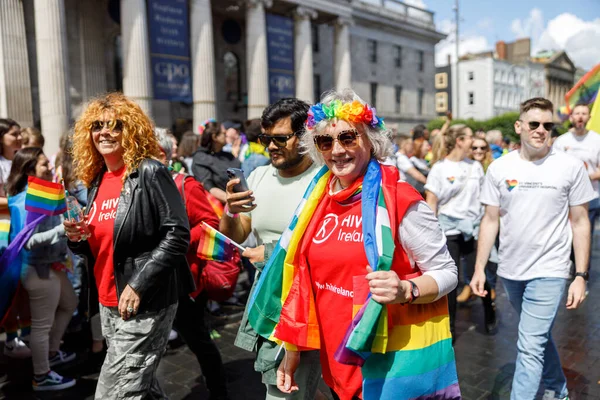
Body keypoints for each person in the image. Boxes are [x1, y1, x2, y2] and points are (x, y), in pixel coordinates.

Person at [246, 90, 459, 400]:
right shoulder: (316, 199)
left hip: (387, 362)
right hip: (336, 358)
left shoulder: (400, 200)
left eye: (348, 138)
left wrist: (405, 289)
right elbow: (302, 278)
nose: (337, 150)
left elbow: (447, 271)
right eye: (325, 141)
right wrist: (292, 347)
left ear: (370, 141)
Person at [64, 92, 192, 400]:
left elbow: (177, 234)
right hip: (108, 301)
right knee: (140, 387)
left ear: (131, 130)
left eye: (115, 125)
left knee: (113, 394)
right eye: (97, 125)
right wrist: (77, 238)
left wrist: (138, 285)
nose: (104, 132)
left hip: (143, 301)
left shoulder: (149, 172)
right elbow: (100, 245)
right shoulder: (96, 180)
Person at [471, 97, 595, 400]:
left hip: (550, 270)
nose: (541, 130)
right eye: (534, 124)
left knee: (528, 345)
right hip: (512, 271)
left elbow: (580, 222)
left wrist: (580, 275)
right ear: (519, 126)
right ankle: (558, 388)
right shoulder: (499, 168)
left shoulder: (569, 167)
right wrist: (479, 269)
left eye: (548, 125)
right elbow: (489, 220)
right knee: (535, 337)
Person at [220, 98, 323, 400]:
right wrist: (230, 212)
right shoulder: (260, 176)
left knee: (284, 390)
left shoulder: (324, 179)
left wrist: (272, 254)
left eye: (280, 138)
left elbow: (328, 245)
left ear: (306, 136)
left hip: (306, 304)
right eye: (266, 139)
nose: (271, 146)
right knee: (293, 388)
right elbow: (240, 234)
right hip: (267, 298)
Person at [155, 128, 229, 400]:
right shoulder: (133, 186)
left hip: (183, 282)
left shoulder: (186, 185)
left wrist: (176, 243)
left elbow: (210, 224)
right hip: (149, 282)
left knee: (198, 341)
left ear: (159, 154)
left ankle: (219, 391)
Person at [7, 147, 78, 391]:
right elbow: (28, 242)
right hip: (37, 270)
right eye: (44, 164)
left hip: (50, 265)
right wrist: (62, 229)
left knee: (69, 303)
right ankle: (42, 375)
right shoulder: (26, 199)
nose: (50, 167)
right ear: (29, 170)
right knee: (41, 325)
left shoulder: (41, 192)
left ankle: (51, 352)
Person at [425, 125, 495, 336]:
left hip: (473, 229)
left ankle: (489, 312)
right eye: (470, 138)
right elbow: (432, 202)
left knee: (480, 272)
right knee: (451, 280)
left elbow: (484, 198)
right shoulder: (439, 168)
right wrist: (430, 233)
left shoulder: (475, 167)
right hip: (449, 229)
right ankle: (450, 327)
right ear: (459, 141)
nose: (473, 142)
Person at [0, 118, 31, 359]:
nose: (20, 138)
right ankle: (11, 339)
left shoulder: (22, 161)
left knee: (26, 285)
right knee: (9, 284)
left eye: (20, 133)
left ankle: (28, 334)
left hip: (26, 228)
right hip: (5, 232)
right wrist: (19, 203)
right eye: (14, 134)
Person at [553, 104, 600, 236]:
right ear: (571, 117)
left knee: (584, 237)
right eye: (577, 113)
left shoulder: (597, 140)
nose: (580, 116)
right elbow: (554, 169)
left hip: (591, 198)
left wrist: (586, 177)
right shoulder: (561, 142)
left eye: (584, 114)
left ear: (589, 117)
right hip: (565, 198)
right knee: (564, 237)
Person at [462, 136, 498, 302]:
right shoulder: (466, 167)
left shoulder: (493, 167)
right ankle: (470, 285)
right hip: (471, 218)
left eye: (482, 148)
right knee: (470, 254)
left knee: (491, 256)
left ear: (487, 150)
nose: (478, 151)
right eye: (474, 148)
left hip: (491, 217)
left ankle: (491, 286)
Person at [192, 121, 241, 203]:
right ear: (215, 137)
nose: (226, 135)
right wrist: (234, 201)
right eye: (223, 133)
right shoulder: (201, 158)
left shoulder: (228, 156)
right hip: (222, 208)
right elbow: (209, 186)